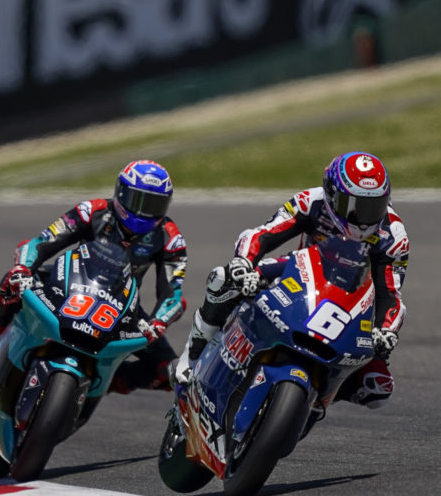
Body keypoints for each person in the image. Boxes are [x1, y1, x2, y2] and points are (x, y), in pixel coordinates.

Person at [174, 151, 408, 410]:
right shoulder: (311, 202)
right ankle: (193, 354)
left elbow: (390, 294)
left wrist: (386, 331)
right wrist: (243, 263)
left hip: (352, 302)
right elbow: (262, 234)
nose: (363, 218)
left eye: (372, 206)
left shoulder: (393, 234)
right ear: (331, 194)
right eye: (353, 205)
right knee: (223, 278)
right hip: (300, 272)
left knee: (378, 387)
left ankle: (316, 399)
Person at [0, 159, 187, 398]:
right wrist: (23, 268)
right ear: (121, 193)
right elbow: (41, 243)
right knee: (12, 283)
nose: (145, 212)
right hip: (67, 282)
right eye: (139, 201)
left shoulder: (169, 238)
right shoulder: (92, 211)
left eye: (155, 204)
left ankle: (106, 379)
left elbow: (172, 293)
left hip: (122, 306)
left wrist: (158, 322)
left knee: (167, 372)